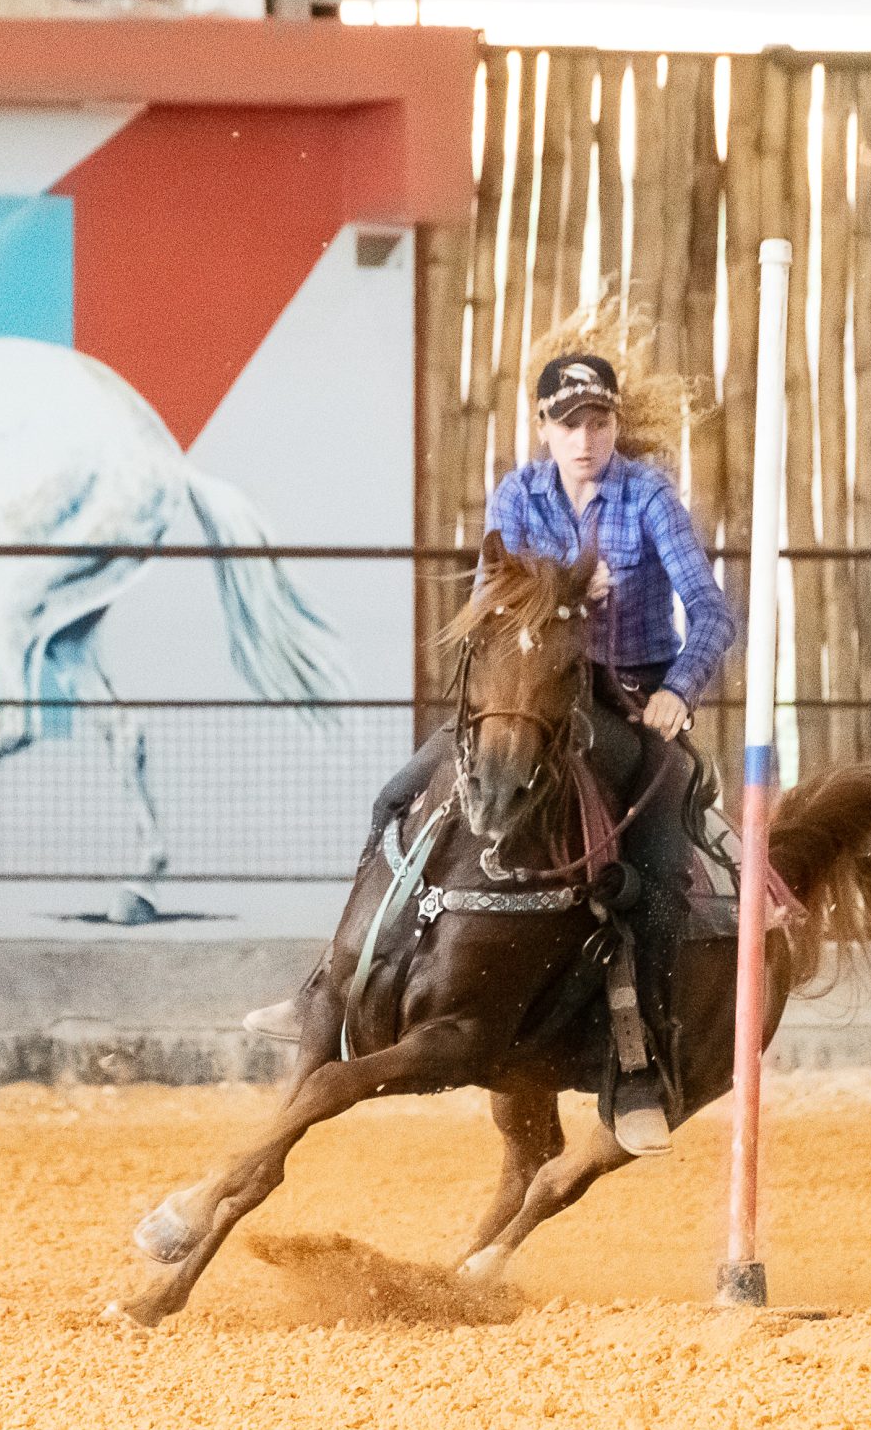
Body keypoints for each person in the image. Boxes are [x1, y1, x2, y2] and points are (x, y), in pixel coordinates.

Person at [247, 352, 736, 1159]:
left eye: (599, 422)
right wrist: (562, 592)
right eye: (569, 422)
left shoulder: (648, 498)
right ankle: (324, 989)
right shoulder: (519, 494)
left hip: (630, 703)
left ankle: (638, 1059)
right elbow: (491, 596)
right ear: (543, 427)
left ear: (615, 425)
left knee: (656, 868)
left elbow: (710, 610)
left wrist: (679, 688)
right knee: (395, 801)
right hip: (531, 698)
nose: (585, 438)